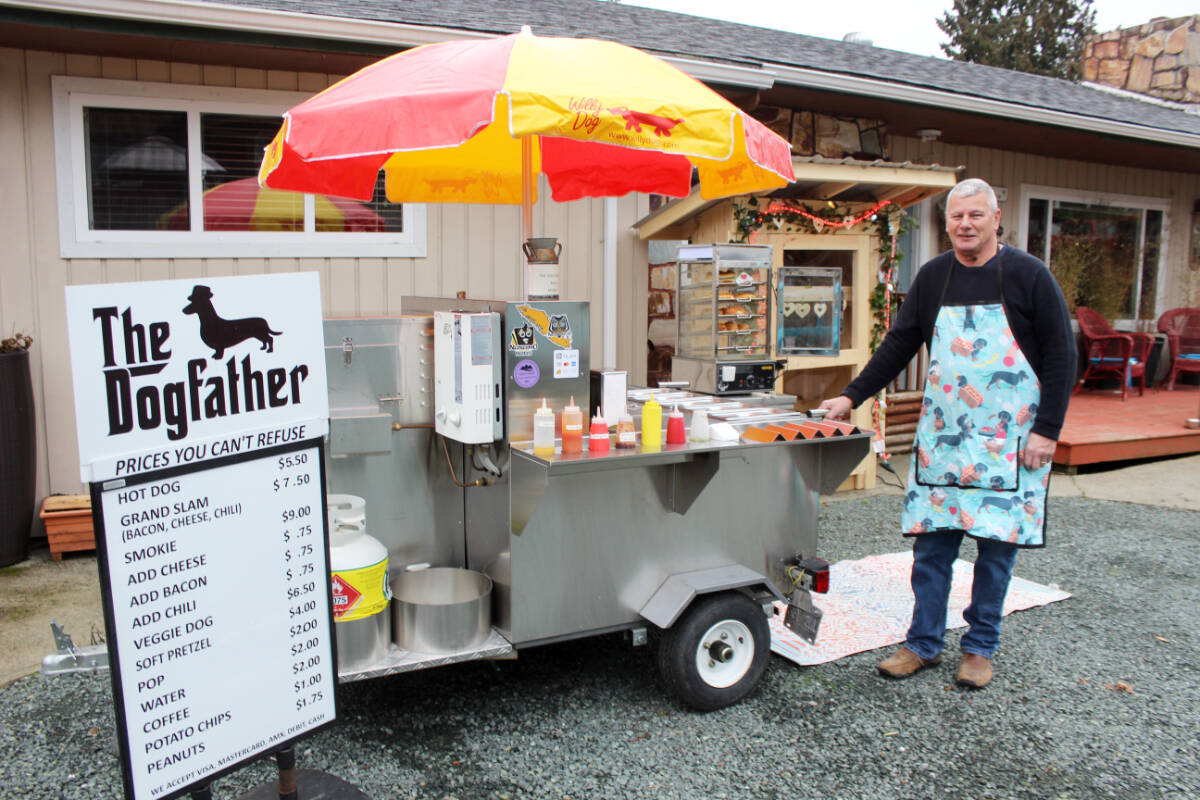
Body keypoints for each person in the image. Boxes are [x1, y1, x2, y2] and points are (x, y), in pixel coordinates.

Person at [819, 178, 1075, 689]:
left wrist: (1048, 429)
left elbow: (1062, 355)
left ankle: (980, 648)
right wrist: (850, 397)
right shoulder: (933, 277)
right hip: (943, 440)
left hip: (1009, 444)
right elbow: (898, 347)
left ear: (996, 218)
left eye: (976, 215)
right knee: (931, 551)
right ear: (947, 223)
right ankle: (923, 643)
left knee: (995, 551)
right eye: (957, 216)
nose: (965, 224)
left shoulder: (1029, 276)